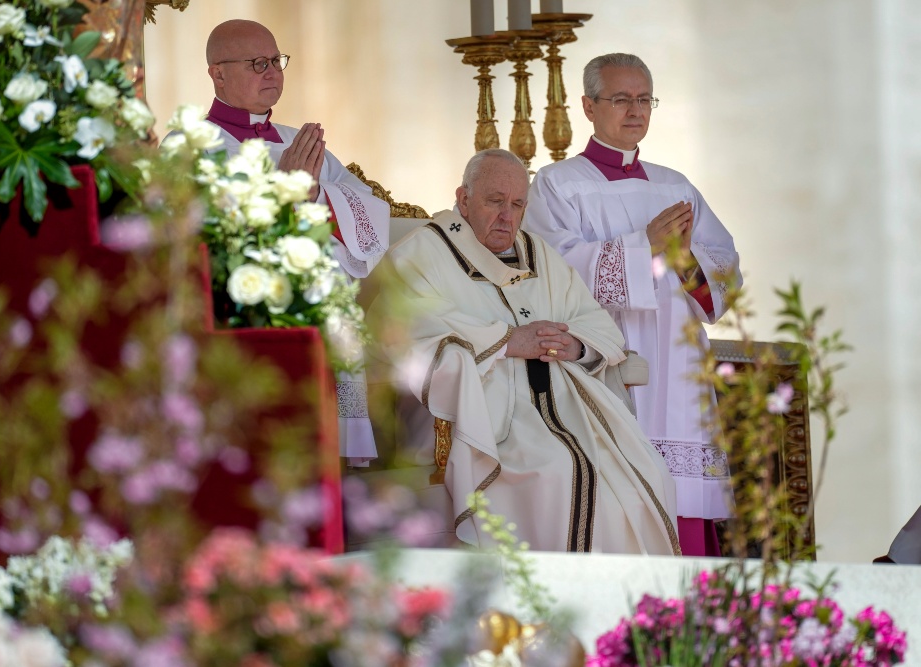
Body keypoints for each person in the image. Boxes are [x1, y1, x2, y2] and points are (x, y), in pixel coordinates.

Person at [377, 148, 679, 554]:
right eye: (495, 201)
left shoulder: (539, 252)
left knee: (649, 469)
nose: (507, 216)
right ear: (463, 199)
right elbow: (408, 335)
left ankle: (619, 608)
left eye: (518, 204)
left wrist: (574, 344)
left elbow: (593, 321)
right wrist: (506, 340)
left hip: (569, 403)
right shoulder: (420, 254)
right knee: (560, 469)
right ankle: (551, 607)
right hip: (490, 409)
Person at [523, 53, 741, 557]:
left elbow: (722, 267)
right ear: (588, 106)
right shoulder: (558, 184)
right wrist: (643, 246)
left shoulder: (675, 185)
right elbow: (552, 271)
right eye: (621, 99)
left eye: (644, 99)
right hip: (606, 354)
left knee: (683, 489)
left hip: (678, 352)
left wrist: (685, 260)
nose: (635, 110)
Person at [200, 19, 392, 466]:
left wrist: (317, 194)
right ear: (217, 73)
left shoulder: (298, 141)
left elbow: (367, 212)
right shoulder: (193, 145)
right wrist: (281, 191)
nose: (272, 72)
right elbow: (202, 232)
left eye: (277, 61)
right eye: (257, 63)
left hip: (324, 309)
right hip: (247, 314)